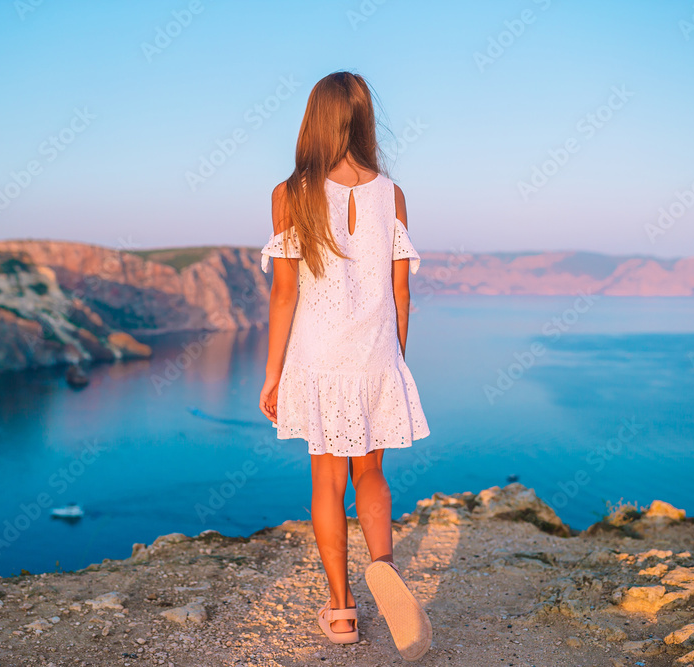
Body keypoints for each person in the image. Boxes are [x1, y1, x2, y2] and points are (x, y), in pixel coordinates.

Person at [258, 71, 432, 661]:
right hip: (375, 354)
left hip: (318, 357)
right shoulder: (393, 194)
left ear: (315, 120)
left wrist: (272, 373)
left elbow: (284, 296)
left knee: (327, 483)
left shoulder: (290, 194)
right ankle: (384, 573)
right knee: (372, 476)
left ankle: (342, 610)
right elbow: (400, 293)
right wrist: (395, 361)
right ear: (365, 121)